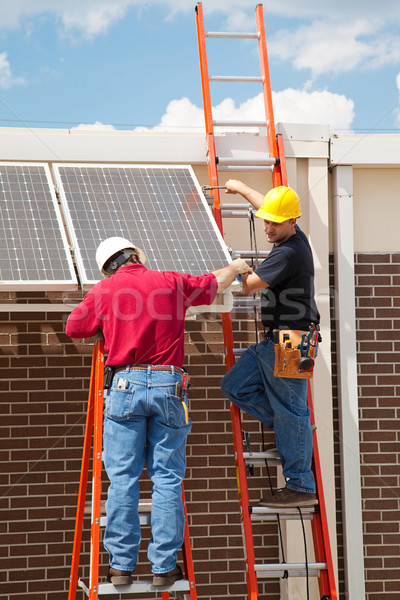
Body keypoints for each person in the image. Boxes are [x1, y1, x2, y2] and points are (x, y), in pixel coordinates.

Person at [66, 236, 251, 587]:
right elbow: (212, 283)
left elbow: (75, 327)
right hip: (169, 385)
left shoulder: (104, 291)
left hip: (124, 387)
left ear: (108, 267)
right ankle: (164, 567)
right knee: (167, 478)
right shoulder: (169, 281)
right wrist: (237, 267)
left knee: (123, 480)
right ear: (136, 255)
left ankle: (120, 566)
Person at [220, 180, 320, 508]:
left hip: (294, 341)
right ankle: (295, 432)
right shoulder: (291, 231)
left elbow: (249, 286)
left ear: (292, 221)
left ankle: (301, 485)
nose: (268, 227)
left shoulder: (289, 252)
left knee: (292, 411)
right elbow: (267, 203)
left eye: (275, 222)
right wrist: (239, 187)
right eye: (266, 220)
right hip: (277, 341)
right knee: (235, 385)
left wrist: (235, 268)